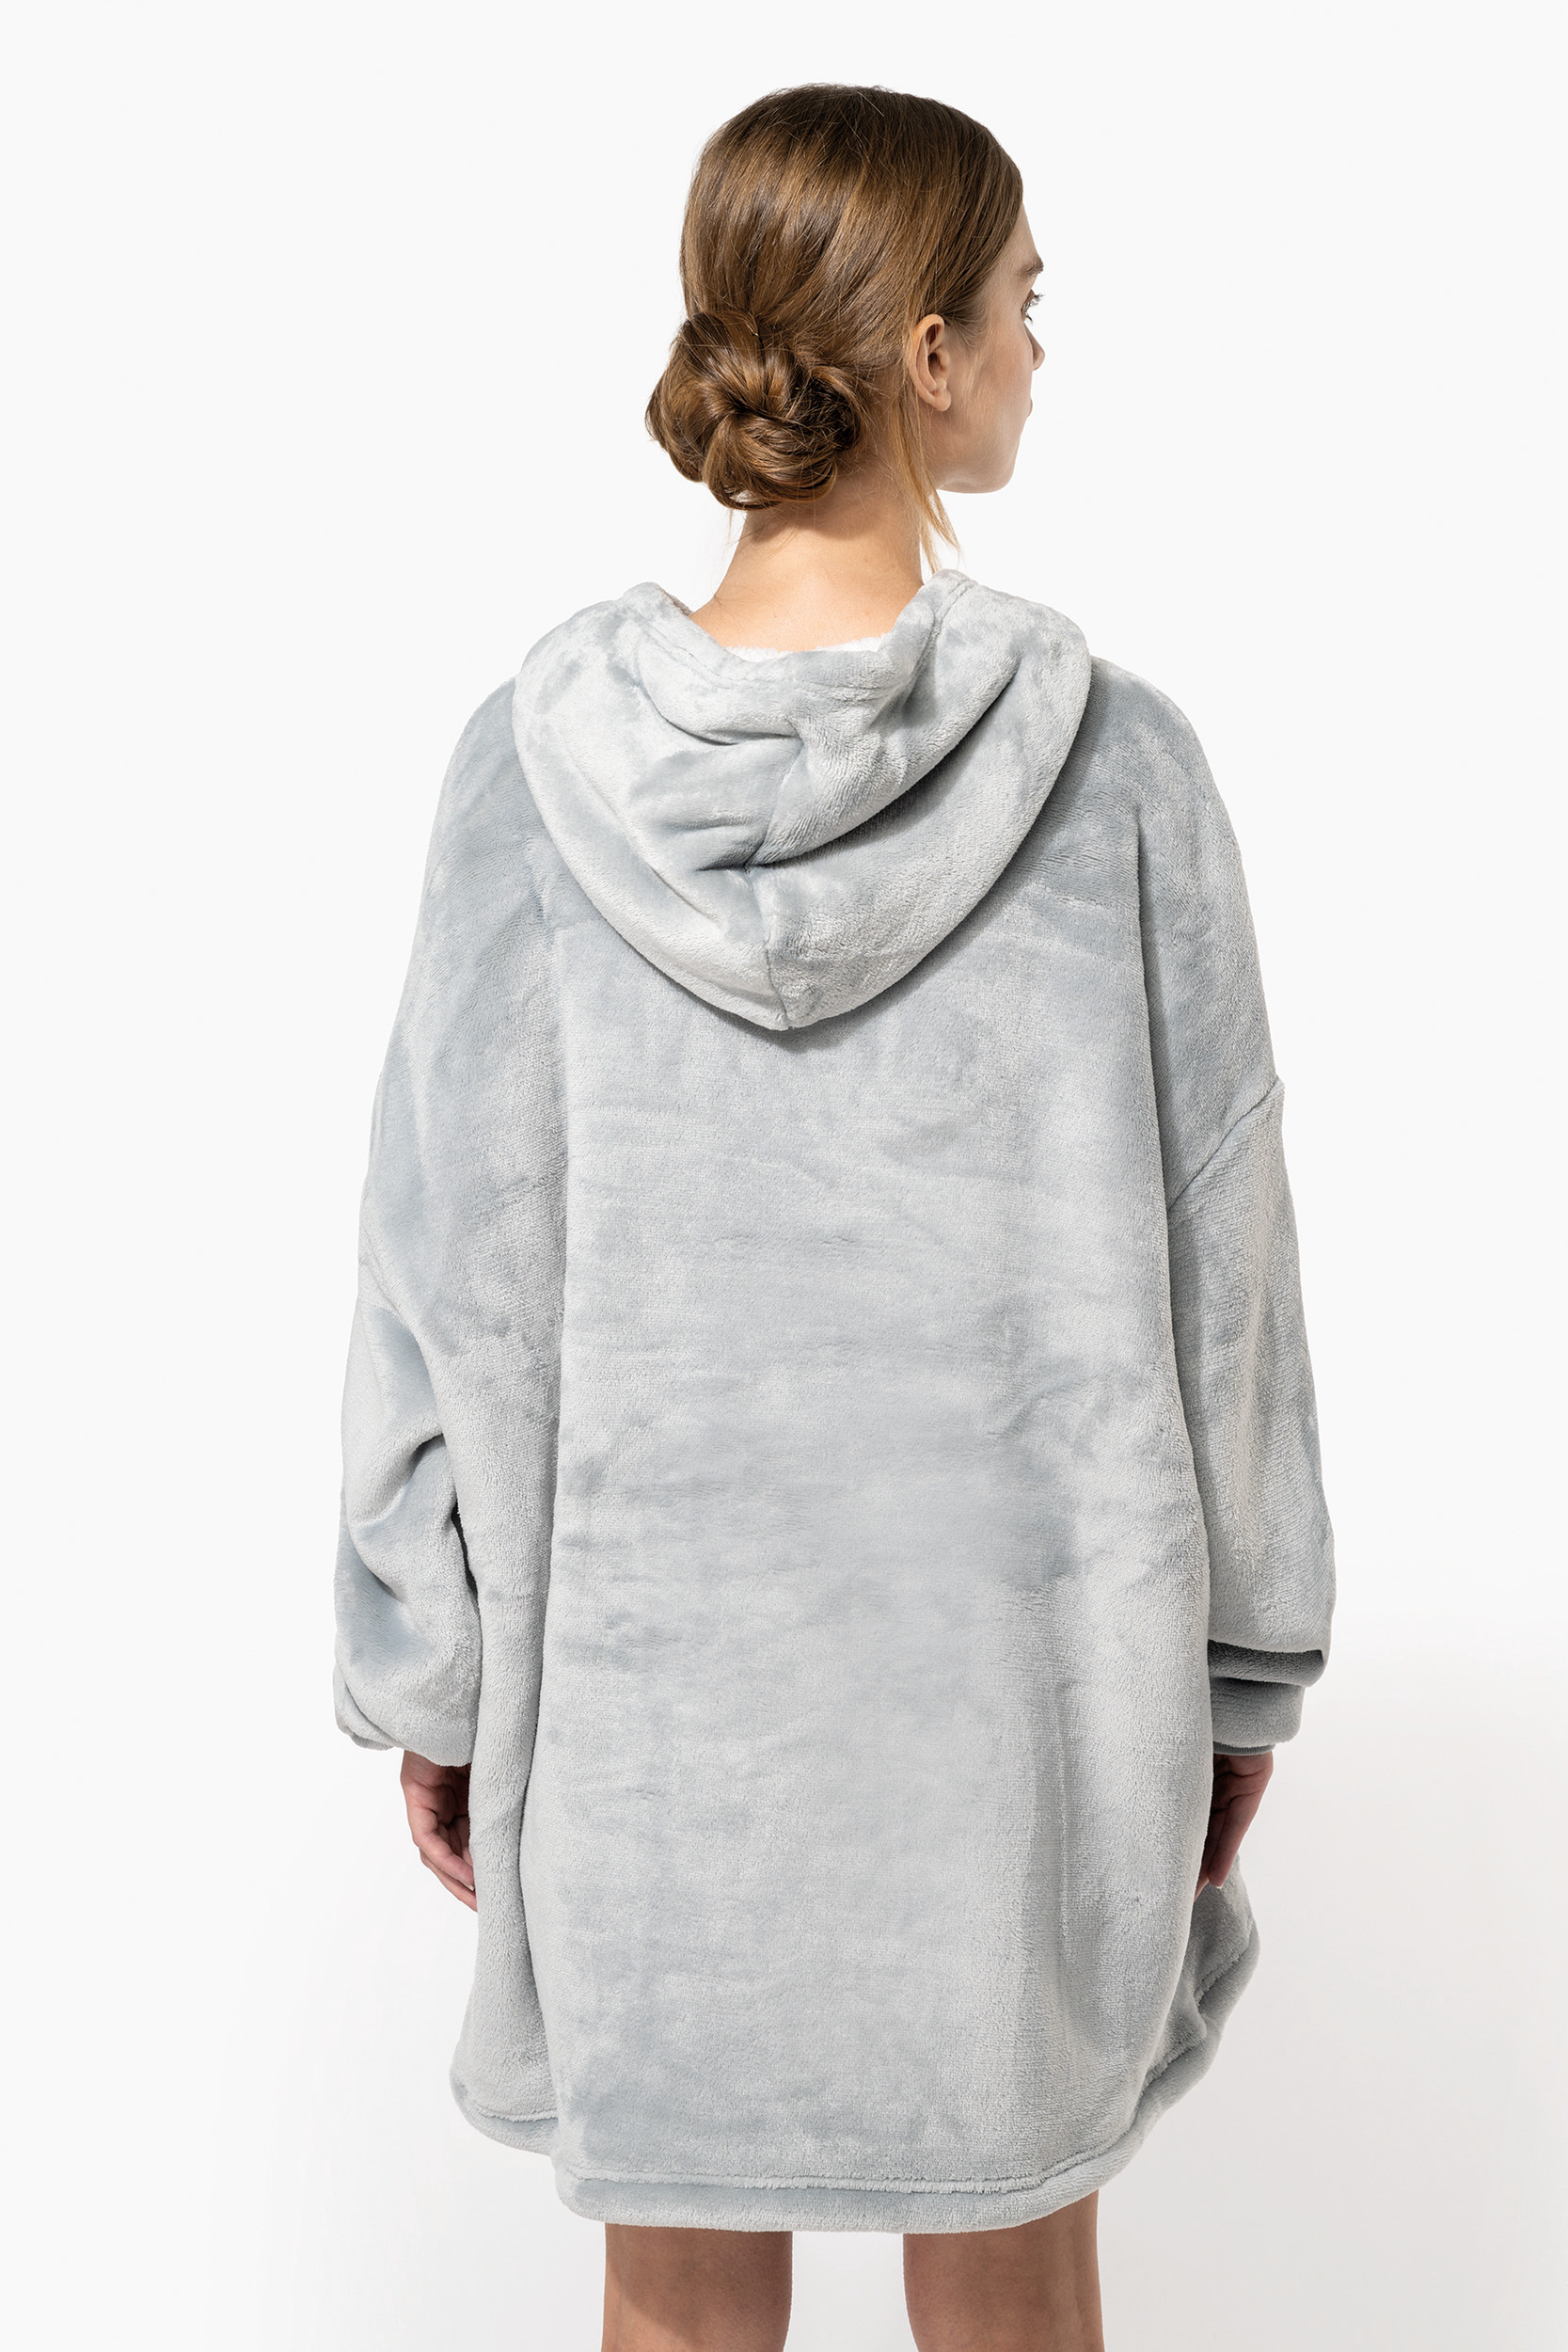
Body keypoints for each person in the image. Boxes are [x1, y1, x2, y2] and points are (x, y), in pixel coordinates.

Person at [334, 82, 1335, 2352]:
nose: (1045, 350)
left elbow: (439, 1271)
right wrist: (1241, 1668)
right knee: (1016, 2276)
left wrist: (441, 1676)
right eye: (1026, 304)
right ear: (928, 353)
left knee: (680, 2301)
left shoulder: (528, 775)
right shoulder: (1122, 774)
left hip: (651, 1724)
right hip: (1030, 1716)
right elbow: (1230, 1277)